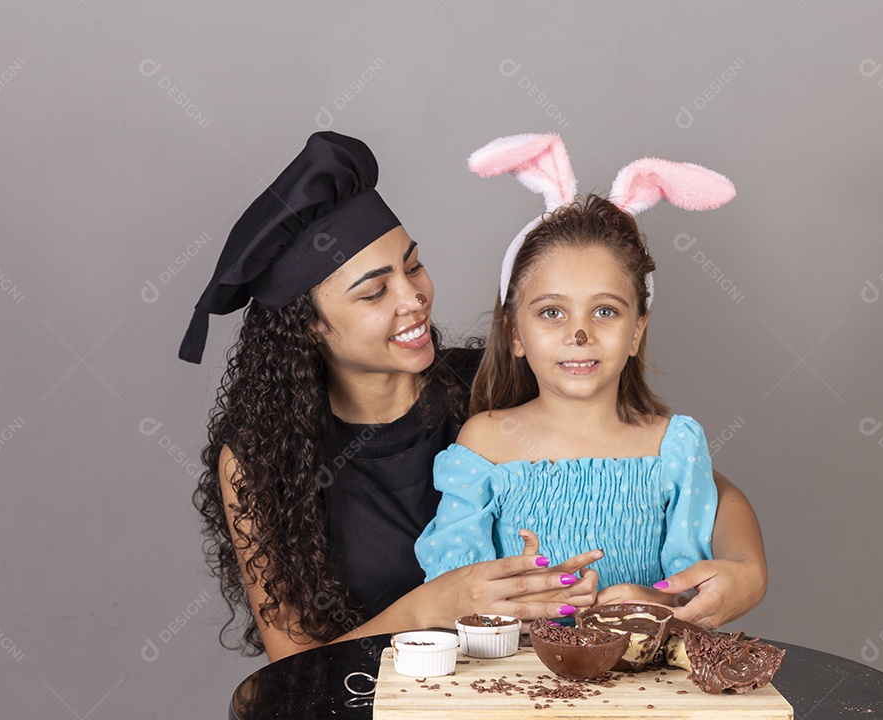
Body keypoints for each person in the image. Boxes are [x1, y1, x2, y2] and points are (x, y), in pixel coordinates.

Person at [179, 131, 766, 663]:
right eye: (374, 292)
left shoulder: (481, 387)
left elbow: (694, 483)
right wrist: (436, 604)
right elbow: (296, 666)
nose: (413, 300)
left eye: (414, 266)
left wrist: (746, 573)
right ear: (308, 324)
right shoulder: (263, 459)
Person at [416, 134, 742, 610]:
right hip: (507, 680)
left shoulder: (674, 447)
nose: (580, 333)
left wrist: (648, 602)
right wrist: (515, 592)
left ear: (637, 331)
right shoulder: (486, 443)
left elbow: (694, 595)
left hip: (639, 683)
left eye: (605, 311)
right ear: (514, 333)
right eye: (552, 312)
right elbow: (455, 589)